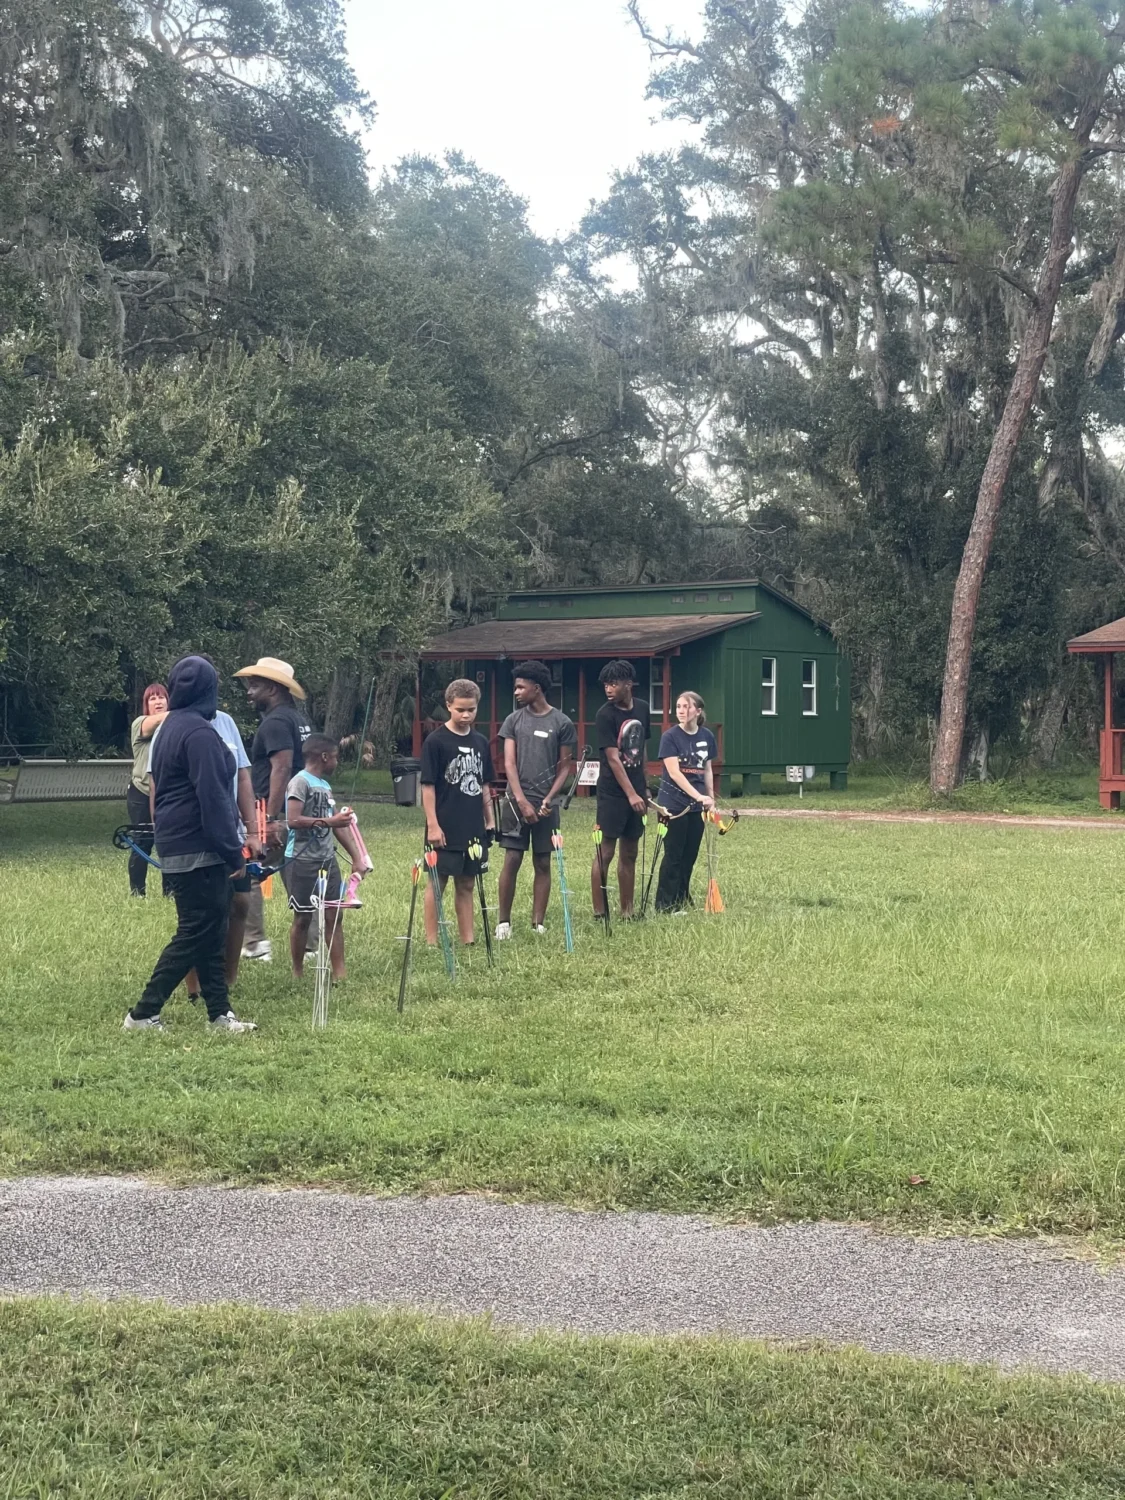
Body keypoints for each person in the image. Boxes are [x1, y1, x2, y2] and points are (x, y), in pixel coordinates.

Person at [124, 656, 257, 1033]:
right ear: (208, 690)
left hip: (177, 843)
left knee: (210, 931)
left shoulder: (169, 729)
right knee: (195, 932)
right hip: (201, 848)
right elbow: (212, 799)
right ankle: (142, 1014)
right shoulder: (199, 734)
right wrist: (234, 852)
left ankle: (219, 1014)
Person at [150, 686, 260, 1001]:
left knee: (233, 906)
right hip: (195, 838)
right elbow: (166, 788)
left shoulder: (225, 723)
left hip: (227, 833)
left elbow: (242, 777)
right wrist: (162, 833)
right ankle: (155, 1005)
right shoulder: (175, 729)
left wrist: (251, 830)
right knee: (197, 923)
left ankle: (221, 997)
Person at [235, 656, 312, 961]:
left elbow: (281, 767)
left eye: (255, 685)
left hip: (275, 809)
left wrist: (269, 818)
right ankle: (310, 946)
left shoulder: (276, 722)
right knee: (299, 873)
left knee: (249, 871)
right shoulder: (299, 719)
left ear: (273, 688)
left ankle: (255, 945)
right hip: (303, 808)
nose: (249, 692)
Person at [495, 660, 576, 938]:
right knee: (512, 858)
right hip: (516, 802)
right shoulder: (513, 721)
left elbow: (565, 766)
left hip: (546, 806)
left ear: (537, 688)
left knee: (543, 862)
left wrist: (549, 799)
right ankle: (503, 923)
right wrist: (521, 802)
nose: (516, 692)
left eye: (521, 687)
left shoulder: (562, 722)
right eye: (515, 687)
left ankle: (537, 923)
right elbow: (509, 763)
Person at [283, 734, 368, 980]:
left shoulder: (325, 786)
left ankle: (340, 972)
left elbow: (338, 826)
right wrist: (330, 821)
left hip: (327, 859)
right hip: (301, 860)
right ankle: (297, 971)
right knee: (303, 917)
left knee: (335, 914)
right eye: (335, 757)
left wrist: (357, 857)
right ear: (323, 757)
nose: (336, 762)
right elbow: (293, 820)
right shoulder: (299, 782)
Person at [420, 678, 495, 946]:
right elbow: (428, 786)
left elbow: (484, 785)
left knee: (467, 883)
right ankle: (432, 940)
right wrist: (433, 824)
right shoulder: (436, 741)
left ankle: (468, 939)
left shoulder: (481, 742)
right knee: (438, 882)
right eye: (460, 709)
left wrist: (489, 820)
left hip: (472, 824)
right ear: (448, 705)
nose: (466, 715)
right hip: (444, 824)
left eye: (471, 710)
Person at [591, 659, 651, 921]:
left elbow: (642, 749)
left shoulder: (643, 708)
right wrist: (631, 794)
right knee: (606, 850)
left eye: (613, 684)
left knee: (630, 851)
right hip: (612, 792)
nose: (608, 689)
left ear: (628, 684)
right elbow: (613, 759)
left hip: (636, 789)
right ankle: (600, 911)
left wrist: (644, 787)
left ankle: (627, 910)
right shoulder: (605, 715)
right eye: (606, 684)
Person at [653, 691, 718, 912]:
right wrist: (697, 795)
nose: (681, 711)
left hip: (697, 806)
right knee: (673, 855)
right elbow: (674, 772)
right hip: (673, 805)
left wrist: (710, 799)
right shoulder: (670, 737)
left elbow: (707, 769)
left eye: (686, 706)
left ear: (698, 711)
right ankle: (665, 904)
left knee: (690, 855)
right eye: (679, 706)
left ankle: (681, 898)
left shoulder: (707, 736)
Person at [126, 683, 168, 896]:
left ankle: (170, 891)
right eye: (152, 698)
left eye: (161, 697)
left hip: (167, 794)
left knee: (169, 844)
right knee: (142, 843)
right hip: (141, 793)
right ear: (146, 705)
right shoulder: (140, 724)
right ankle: (137, 892)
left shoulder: (173, 729)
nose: (158, 702)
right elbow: (157, 721)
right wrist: (186, 711)